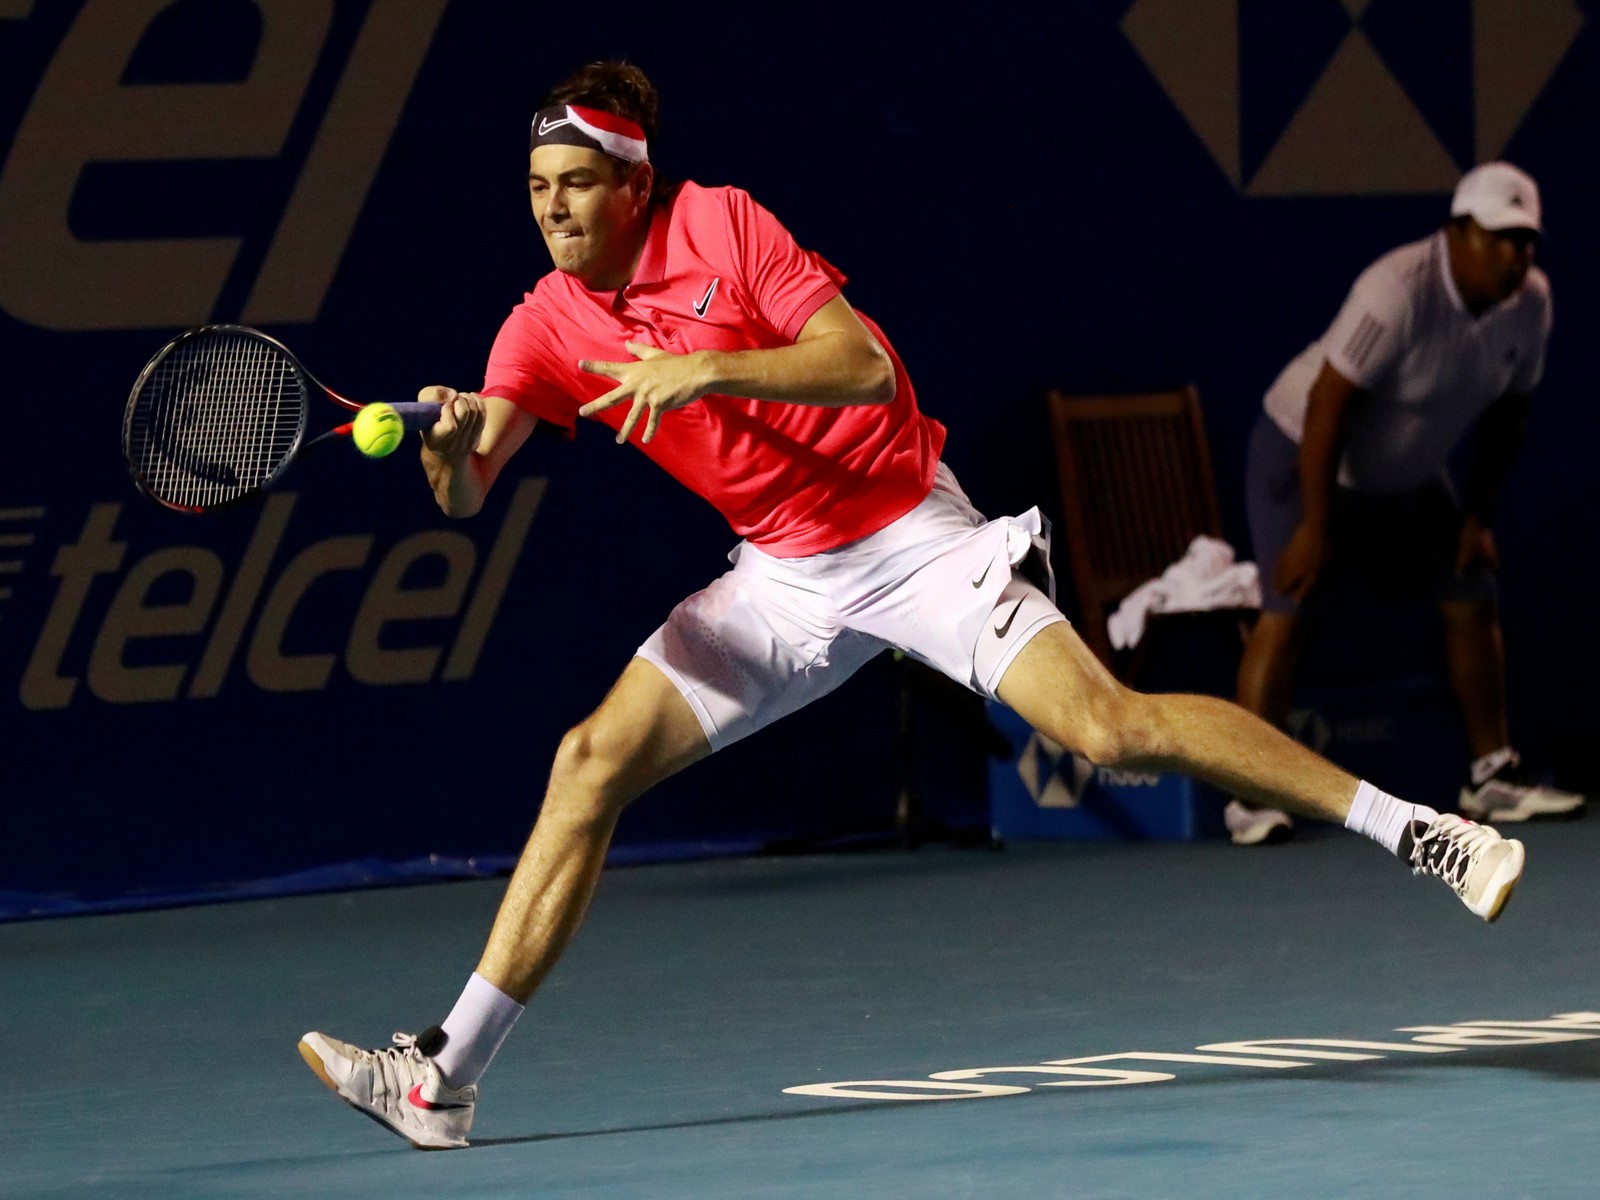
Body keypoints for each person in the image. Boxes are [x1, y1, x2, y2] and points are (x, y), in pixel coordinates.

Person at [298, 62, 1529, 1150]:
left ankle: (1422, 829)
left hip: (908, 535)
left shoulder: (721, 226)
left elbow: (861, 366)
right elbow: (468, 485)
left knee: (1108, 729)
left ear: (633, 184)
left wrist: (705, 365)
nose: (553, 208)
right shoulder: (544, 321)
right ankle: (443, 1078)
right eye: (535, 188)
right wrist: (448, 442)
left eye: (574, 182)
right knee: (587, 763)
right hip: (779, 580)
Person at [1226, 162, 1586, 847]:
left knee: (1470, 586)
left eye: (1527, 241)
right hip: (1302, 448)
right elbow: (1327, 404)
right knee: (1291, 605)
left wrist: (1476, 520)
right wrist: (1317, 526)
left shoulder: (1530, 301)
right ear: (1458, 232)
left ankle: (1491, 776)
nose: (1518, 255)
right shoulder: (1398, 290)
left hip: (1406, 476)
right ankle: (1251, 794)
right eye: (1501, 238)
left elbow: (1511, 417)